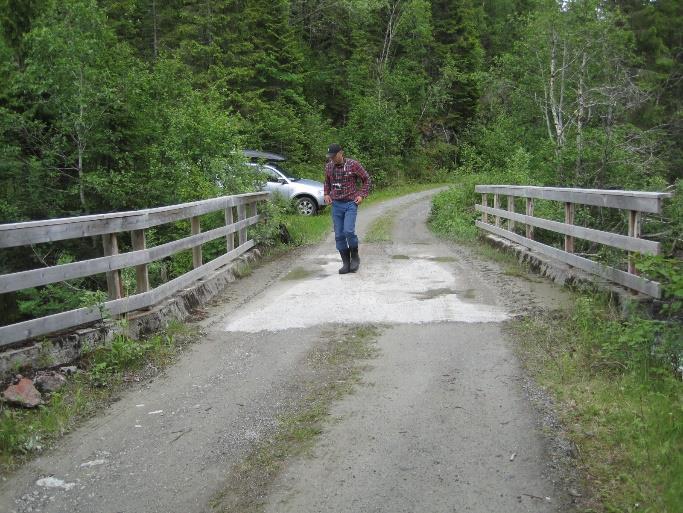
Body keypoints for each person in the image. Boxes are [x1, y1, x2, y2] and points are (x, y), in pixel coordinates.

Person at [324, 143, 371, 274]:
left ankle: (355, 257)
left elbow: (366, 179)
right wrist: (326, 193)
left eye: (334, 156)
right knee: (339, 234)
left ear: (341, 153)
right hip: (336, 204)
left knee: (348, 231)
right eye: (330, 157)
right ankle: (345, 263)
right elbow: (327, 182)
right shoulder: (328, 167)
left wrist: (362, 195)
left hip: (351, 203)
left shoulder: (353, 165)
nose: (331, 159)